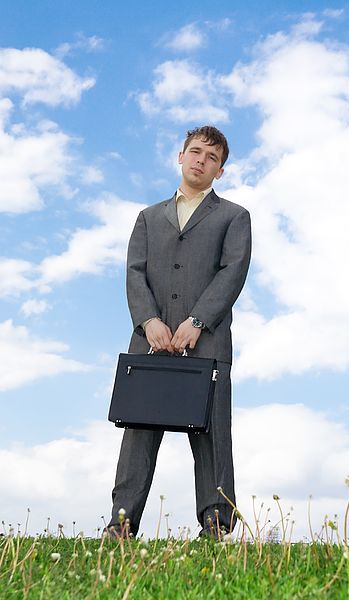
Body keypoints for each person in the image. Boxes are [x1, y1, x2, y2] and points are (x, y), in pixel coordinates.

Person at [106, 125, 252, 539]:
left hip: (206, 343)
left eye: (211, 157)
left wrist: (198, 321)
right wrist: (149, 320)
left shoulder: (234, 217)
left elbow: (232, 273)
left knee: (211, 435)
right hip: (150, 343)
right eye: (195, 152)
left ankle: (216, 527)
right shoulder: (148, 217)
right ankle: (121, 524)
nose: (200, 161)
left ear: (220, 171)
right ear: (180, 155)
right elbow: (134, 273)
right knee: (138, 433)